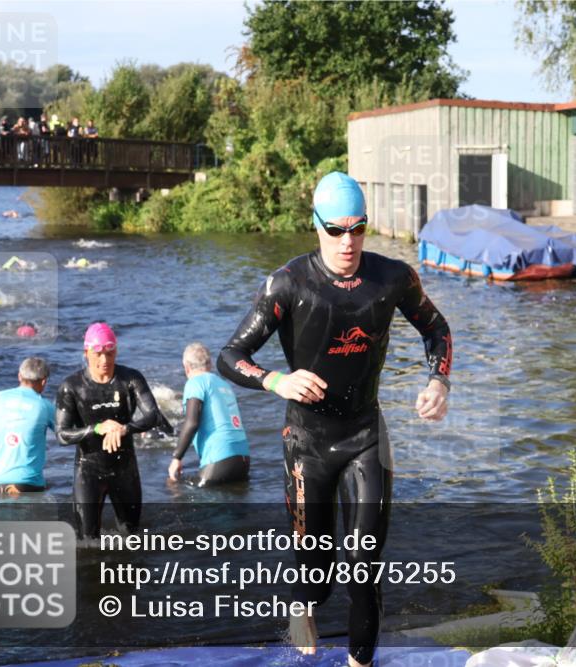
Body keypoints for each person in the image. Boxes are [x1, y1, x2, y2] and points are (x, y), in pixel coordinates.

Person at [217, 171, 452, 667]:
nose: (348, 241)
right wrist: (275, 381)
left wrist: (437, 381)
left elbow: (436, 328)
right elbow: (231, 354)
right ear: (316, 225)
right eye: (336, 230)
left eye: (358, 228)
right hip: (306, 446)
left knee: (364, 567)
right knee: (316, 575)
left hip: (366, 436)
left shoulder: (393, 278)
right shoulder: (289, 283)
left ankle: (358, 663)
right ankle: (303, 603)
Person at [55, 322, 165, 540]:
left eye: (110, 353)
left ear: (116, 350)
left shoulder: (130, 379)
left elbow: (153, 416)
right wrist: (98, 428)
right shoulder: (72, 386)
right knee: (87, 541)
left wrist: (124, 429)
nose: (104, 360)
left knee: (132, 538)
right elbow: (62, 434)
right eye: (98, 354)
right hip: (88, 471)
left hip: (125, 470)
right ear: (86, 353)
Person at [169, 343, 250, 487]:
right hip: (243, 461)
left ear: (186, 366)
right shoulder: (224, 384)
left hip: (219, 459)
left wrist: (177, 458)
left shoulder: (194, 383)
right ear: (210, 364)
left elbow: (192, 423)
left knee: (173, 485)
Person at [0, 357, 54, 495]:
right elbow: (64, 435)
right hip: (28, 483)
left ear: (19, 376)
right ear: (44, 381)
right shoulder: (44, 405)